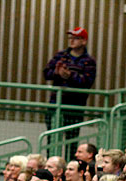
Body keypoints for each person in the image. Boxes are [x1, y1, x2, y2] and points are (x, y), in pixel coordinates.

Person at [43, 27, 97, 158]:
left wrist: (70, 76)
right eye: (71, 38)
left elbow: (87, 81)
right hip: (55, 104)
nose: (72, 41)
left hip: (75, 106)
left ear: (84, 41)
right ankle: (52, 163)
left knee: (72, 139)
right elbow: (46, 73)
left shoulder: (89, 61)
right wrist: (57, 73)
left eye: (76, 38)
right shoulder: (60, 55)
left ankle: (69, 164)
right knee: (52, 137)